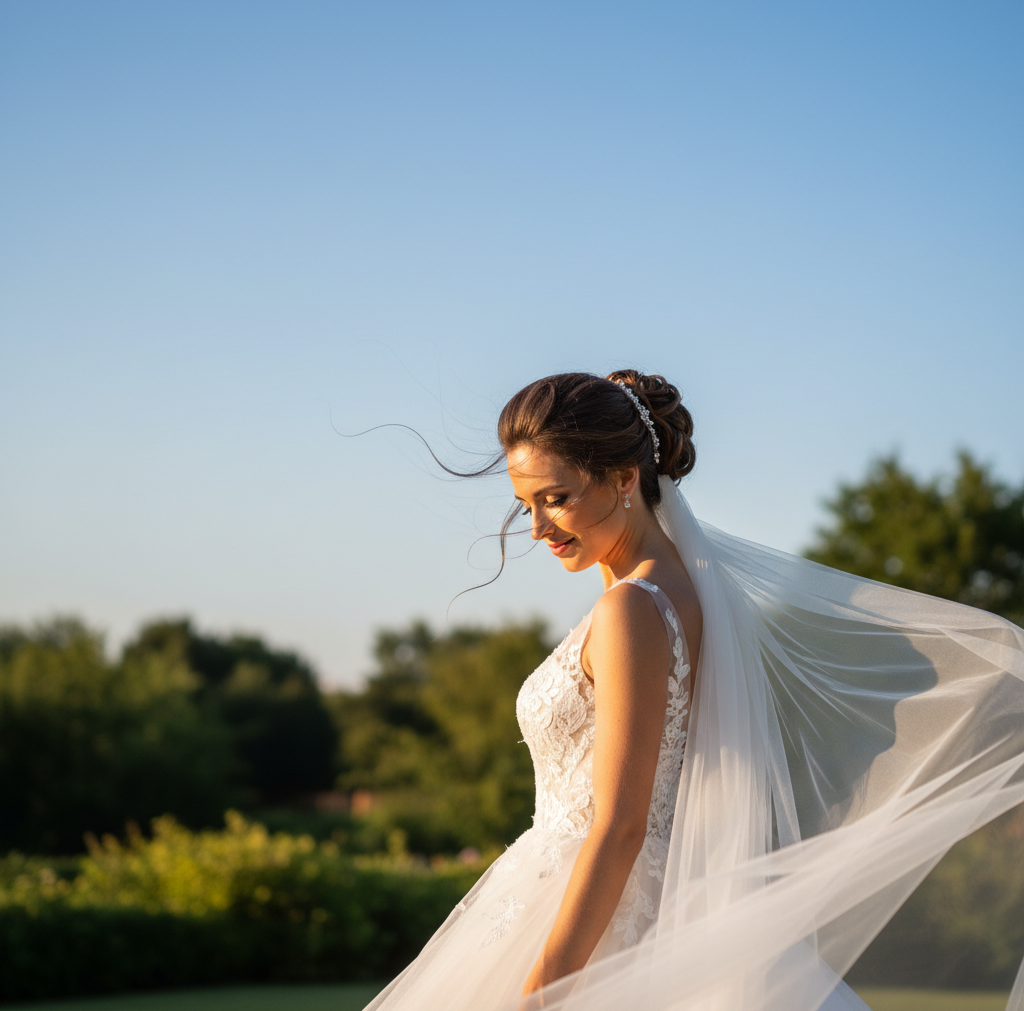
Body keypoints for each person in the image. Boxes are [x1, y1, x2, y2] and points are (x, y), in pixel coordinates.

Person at [363, 371, 1024, 1011]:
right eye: (526, 503)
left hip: (599, 918)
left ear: (624, 478)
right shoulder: (674, 593)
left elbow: (620, 826)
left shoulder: (632, 609)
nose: (538, 526)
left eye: (555, 498)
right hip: (637, 900)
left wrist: (544, 989)